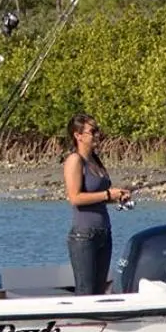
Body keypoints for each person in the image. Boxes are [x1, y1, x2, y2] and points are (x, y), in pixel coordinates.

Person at [61, 114, 131, 295]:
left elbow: (98, 196)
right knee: (86, 291)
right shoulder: (75, 160)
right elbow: (75, 198)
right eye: (93, 131)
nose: (98, 135)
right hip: (84, 236)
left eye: (98, 130)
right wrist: (108, 193)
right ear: (78, 135)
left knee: (100, 291)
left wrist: (116, 196)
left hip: (104, 234)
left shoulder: (96, 161)